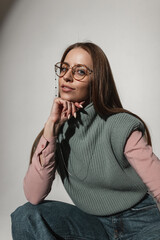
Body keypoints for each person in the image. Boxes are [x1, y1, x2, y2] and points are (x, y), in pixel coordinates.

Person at [11, 42, 160, 240]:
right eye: (64, 68)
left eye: (80, 71)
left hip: (141, 221)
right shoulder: (59, 130)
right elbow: (34, 196)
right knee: (26, 216)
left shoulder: (120, 125)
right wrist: (51, 129)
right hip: (93, 224)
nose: (67, 76)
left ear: (96, 80)